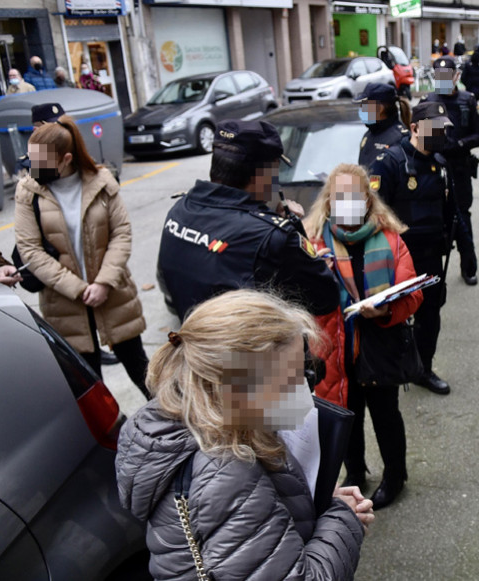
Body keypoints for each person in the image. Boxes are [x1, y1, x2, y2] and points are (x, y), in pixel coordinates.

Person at [116, 289, 372, 580]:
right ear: (241, 388)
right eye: (290, 377)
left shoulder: (183, 413)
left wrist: (321, 502)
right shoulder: (227, 474)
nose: (303, 387)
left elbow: (255, 528)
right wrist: (342, 517)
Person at [303, 163, 423, 509]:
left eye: (355, 196)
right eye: (340, 196)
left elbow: (413, 294)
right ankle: (355, 473)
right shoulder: (313, 244)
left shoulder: (389, 238)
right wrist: (316, 275)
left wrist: (386, 312)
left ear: (369, 201)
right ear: (328, 201)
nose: (348, 202)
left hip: (378, 347)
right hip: (333, 351)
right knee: (346, 418)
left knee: (387, 417)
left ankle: (395, 476)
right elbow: (299, 300)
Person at [14, 116, 151, 399]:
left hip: (113, 295)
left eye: (42, 162)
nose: (34, 169)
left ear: (66, 159)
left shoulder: (102, 181)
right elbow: (30, 250)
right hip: (65, 304)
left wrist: (103, 283)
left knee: (144, 374)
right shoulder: (28, 191)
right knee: (90, 390)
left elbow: (121, 233)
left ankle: (177, 435)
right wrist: (77, 289)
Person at [157, 119, 339, 321]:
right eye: (275, 169)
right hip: (256, 350)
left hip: (199, 345)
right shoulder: (273, 237)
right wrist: (292, 230)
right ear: (261, 174)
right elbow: (325, 298)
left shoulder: (180, 210)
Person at [368, 101, 456, 396]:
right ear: (415, 128)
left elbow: (452, 214)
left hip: (431, 258)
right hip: (398, 261)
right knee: (395, 317)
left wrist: (466, 250)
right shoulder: (389, 164)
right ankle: (392, 370)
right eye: (435, 129)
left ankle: (423, 370)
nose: (441, 134)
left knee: (430, 317)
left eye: (444, 129)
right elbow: (377, 215)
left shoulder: (442, 166)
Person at [422, 56, 479, 285]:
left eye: (446, 77)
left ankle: (468, 267)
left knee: (462, 219)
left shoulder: (468, 100)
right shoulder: (427, 101)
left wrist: (459, 145)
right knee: (433, 219)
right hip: (432, 169)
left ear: (456, 76)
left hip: (459, 168)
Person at [356, 83, 411, 168]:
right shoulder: (370, 133)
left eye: (364, 105)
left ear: (380, 108)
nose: (361, 108)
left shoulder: (400, 138)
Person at [14, 103, 65, 175]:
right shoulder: (25, 164)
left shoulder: (74, 147)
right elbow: (46, 180)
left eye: (62, 125)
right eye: (52, 127)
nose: (60, 130)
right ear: (36, 130)